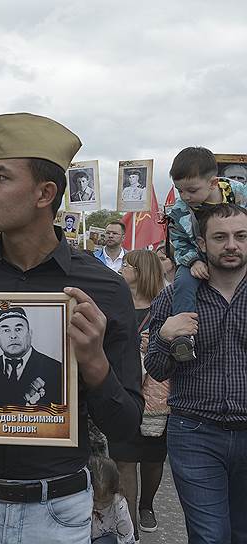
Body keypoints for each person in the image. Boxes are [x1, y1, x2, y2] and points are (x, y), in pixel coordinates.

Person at [0, 113, 143, 543]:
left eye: (0, 177)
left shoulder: (104, 290)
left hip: (59, 510)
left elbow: (126, 425)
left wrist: (93, 362)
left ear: (45, 193)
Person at [145, 203, 247, 543]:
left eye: (241, 236)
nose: (232, 244)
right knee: (210, 536)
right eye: (221, 237)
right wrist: (164, 336)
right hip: (195, 432)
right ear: (201, 244)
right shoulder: (176, 297)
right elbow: (156, 369)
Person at [165, 146, 247, 362]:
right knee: (183, 283)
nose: (185, 196)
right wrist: (192, 261)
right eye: (179, 190)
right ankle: (183, 337)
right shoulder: (179, 210)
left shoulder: (238, 193)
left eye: (191, 190)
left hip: (234, 252)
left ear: (213, 183)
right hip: (196, 256)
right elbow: (179, 241)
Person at [109, 249, 169, 539]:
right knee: (124, 457)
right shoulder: (115, 301)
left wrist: (157, 342)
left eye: (127, 265)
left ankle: (147, 505)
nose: (121, 268)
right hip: (122, 386)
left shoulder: (164, 304)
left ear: (141, 271)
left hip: (156, 389)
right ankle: (129, 526)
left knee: (153, 455)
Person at [0, 307, 63, 406]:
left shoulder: (57, 370)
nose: (13, 336)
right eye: (6, 330)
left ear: (30, 334)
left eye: (18, 329)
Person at [89, 456, 136, 544]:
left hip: (106, 537)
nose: (99, 506)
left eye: (105, 503)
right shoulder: (81, 500)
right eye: (95, 500)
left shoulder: (119, 504)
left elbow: (127, 537)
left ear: (115, 492)